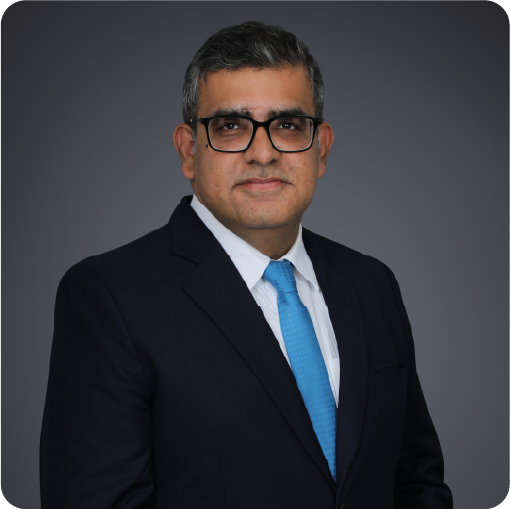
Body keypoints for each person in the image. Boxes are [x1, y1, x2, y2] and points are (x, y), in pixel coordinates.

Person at [40, 21, 454, 509]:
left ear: (320, 148)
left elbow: (416, 481)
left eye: (288, 125)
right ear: (189, 150)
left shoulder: (371, 284)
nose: (263, 153)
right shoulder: (110, 297)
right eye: (231, 126)